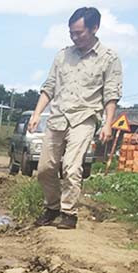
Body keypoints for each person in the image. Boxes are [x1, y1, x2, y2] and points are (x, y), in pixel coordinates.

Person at [31, 6, 122, 230]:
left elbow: (111, 94)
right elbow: (49, 87)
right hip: (58, 117)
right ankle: (52, 208)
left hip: (85, 117)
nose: (74, 37)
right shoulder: (62, 55)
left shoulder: (109, 58)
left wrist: (108, 124)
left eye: (79, 33)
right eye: (71, 32)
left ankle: (68, 213)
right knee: (45, 169)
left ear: (94, 28)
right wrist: (36, 114)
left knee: (72, 168)